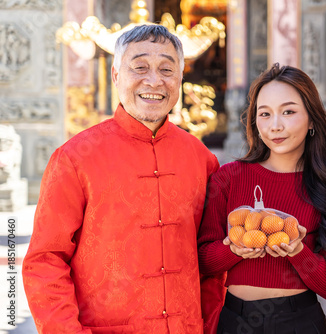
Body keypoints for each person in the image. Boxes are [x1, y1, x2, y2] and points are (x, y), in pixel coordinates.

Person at [22, 24, 219, 333]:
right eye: (139, 67)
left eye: (167, 69)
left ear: (180, 79)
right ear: (116, 75)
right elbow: (46, 260)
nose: (154, 80)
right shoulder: (75, 158)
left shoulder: (201, 158)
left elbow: (212, 261)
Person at [198, 63, 326, 334]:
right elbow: (203, 261)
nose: (275, 126)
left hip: (300, 321)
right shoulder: (228, 178)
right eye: (265, 114)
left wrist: (298, 251)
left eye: (288, 112)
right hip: (235, 321)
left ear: (312, 119)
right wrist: (233, 249)